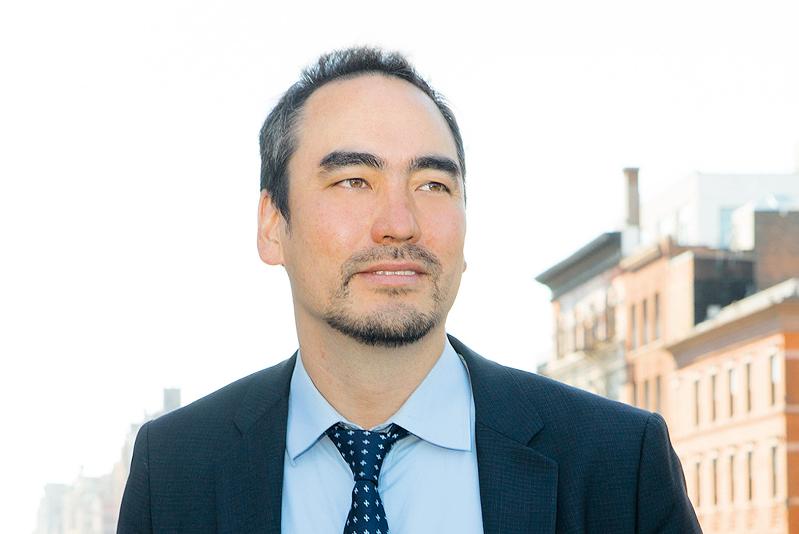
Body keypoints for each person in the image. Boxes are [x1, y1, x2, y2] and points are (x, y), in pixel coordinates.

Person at [117, 47, 701, 534]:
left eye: (432, 184)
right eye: (353, 181)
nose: (399, 223)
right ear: (273, 226)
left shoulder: (618, 462)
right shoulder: (174, 472)